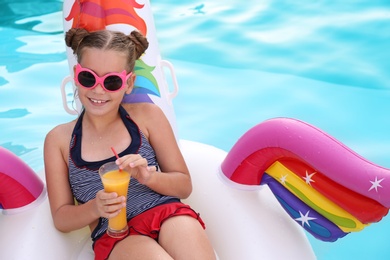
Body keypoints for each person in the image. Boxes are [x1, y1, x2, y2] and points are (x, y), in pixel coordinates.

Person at [44, 28, 216, 260]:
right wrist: (95, 208)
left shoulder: (147, 117)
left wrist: (148, 177)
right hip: (116, 235)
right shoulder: (60, 140)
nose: (98, 89)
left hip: (166, 212)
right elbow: (61, 218)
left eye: (112, 81)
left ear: (128, 83)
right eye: (88, 77)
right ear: (76, 74)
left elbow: (183, 185)